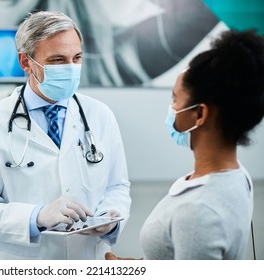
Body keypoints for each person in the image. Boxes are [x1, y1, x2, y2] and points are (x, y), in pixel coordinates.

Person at [0, 11, 131, 260]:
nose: (71, 69)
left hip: (88, 257)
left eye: (77, 58)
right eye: (58, 60)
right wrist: (36, 217)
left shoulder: (100, 115)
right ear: (26, 62)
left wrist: (110, 218)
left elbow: (118, 186)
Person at [106, 29, 264, 260]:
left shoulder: (198, 212)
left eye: (175, 99)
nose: (172, 108)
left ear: (199, 113)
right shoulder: (237, 176)